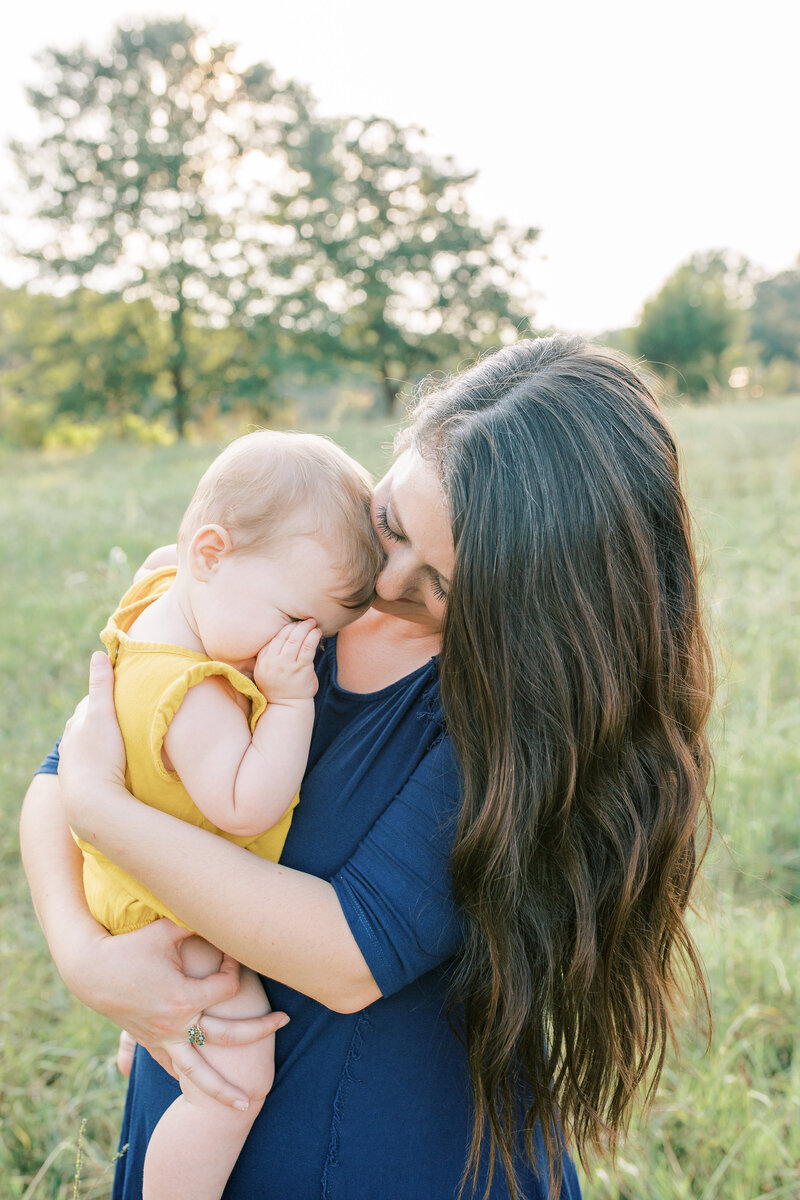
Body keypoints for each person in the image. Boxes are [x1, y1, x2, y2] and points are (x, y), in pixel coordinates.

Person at [22, 335, 714, 1200]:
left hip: (393, 1159)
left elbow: (346, 953)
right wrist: (87, 958)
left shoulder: (514, 716)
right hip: (198, 1115)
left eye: (447, 585)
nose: (381, 581)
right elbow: (65, 768)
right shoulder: (284, 565)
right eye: (389, 522)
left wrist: (104, 812)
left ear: (533, 600)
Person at [67, 429, 382, 1200]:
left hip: (125, 878)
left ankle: (145, 1031)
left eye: (314, 638)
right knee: (234, 1077)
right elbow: (246, 805)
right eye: (290, 621)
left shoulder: (157, 599)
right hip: (170, 904)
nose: (296, 647)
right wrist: (289, 700)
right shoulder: (201, 693)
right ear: (209, 553)